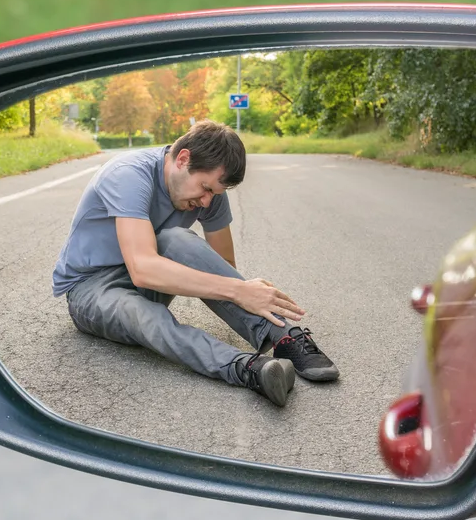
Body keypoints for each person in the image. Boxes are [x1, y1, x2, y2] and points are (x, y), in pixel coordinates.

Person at [52, 119, 339, 405]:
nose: (205, 201)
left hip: (148, 277)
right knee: (144, 314)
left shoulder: (210, 195)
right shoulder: (128, 175)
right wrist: (239, 290)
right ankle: (249, 369)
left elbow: (221, 264)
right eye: (204, 188)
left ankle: (283, 337)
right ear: (183, 159)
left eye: (214, 192)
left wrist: (244, 291)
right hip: (91, 289)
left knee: (176, 238)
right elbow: (142, 268)